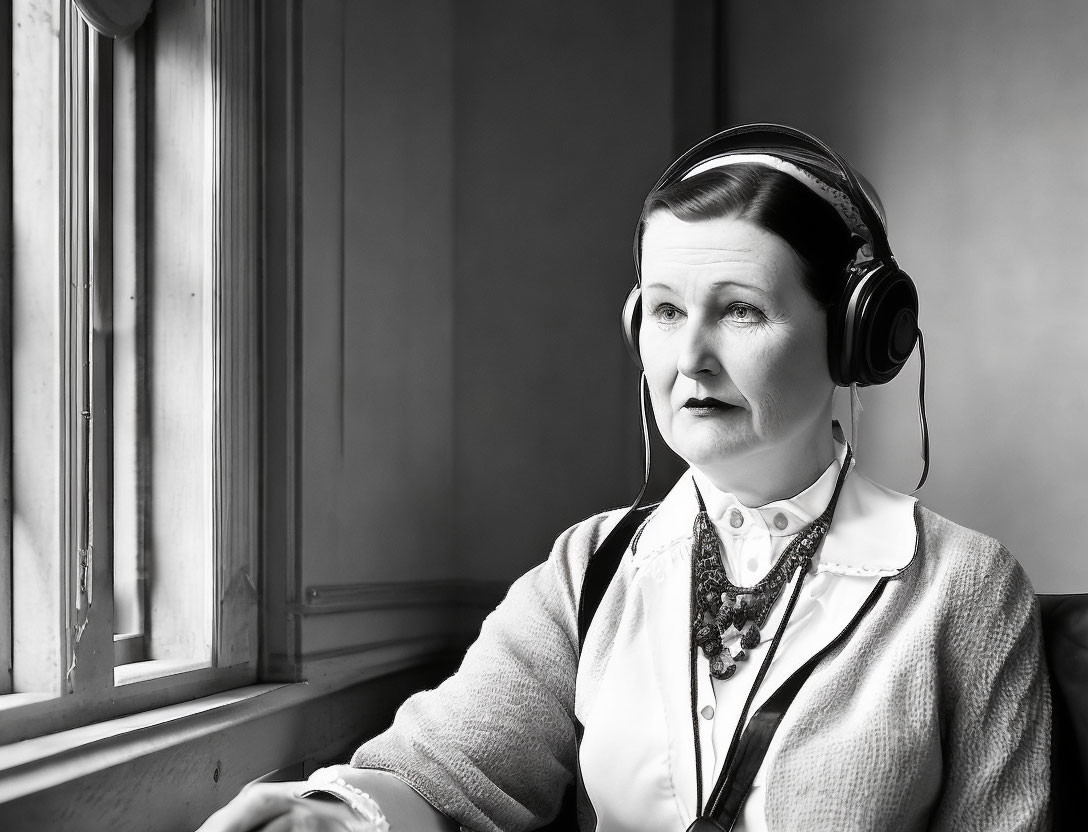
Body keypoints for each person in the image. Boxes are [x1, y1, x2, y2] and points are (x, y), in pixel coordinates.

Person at [198, 124, 1051, 832]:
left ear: (857, 334)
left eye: (742, 310)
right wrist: (331, 821)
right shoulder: (591, 567)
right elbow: (440, 775)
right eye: (669, 312)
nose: (690, 359)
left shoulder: (964, 588)